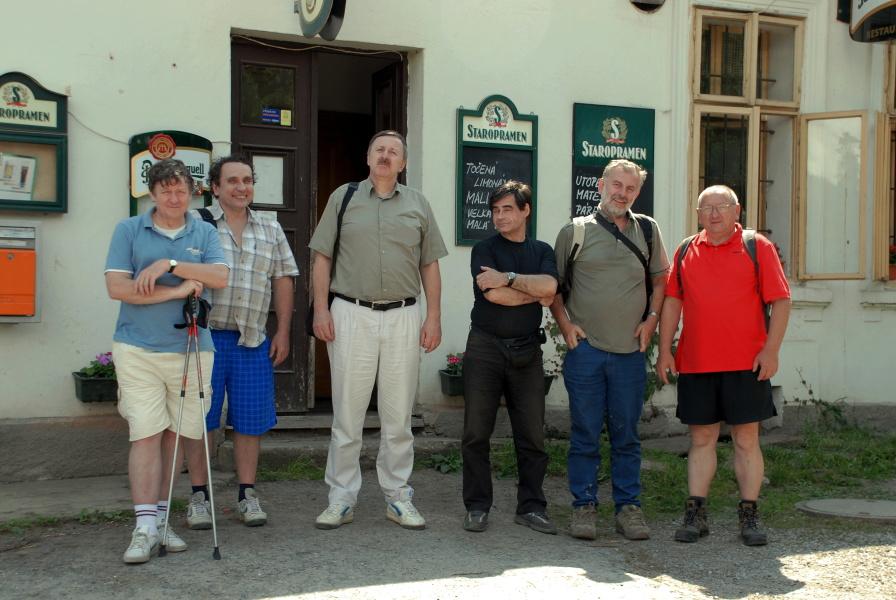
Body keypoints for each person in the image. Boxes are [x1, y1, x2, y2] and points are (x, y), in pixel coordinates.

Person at [309, 130, 447, 530]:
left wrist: (433, 316)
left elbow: (429, 265)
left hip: (404, 315)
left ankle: (398, 496)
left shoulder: (418, 204)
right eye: (379, 150)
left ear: (403, 163)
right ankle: (341, 498)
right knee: (347, 415)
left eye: (394, 152)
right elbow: (322, 257)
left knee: (398, 416)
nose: (386, 156)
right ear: (368, 157)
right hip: (351, 313)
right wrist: (321, 309)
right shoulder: (343, 197)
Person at [104, 159, 228, 564]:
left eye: (181, 191)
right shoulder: (129, 229)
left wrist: (168, 266)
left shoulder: (204, 231)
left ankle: (160, 520)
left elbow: (219, 276)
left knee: (175, 438)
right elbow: (118, 287)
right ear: (152, 194)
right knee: (145, 434)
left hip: (191, 348)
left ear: (191, 193)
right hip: (138, 348)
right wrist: (177, 290)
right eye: (165, 191)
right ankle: (144, 527)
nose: (174, 198)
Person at [656, 184, 791, 546]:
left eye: (722, 207)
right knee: (701, 439)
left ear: (737, 211)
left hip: (747, 364)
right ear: (698, 214)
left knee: (747, 439)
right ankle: (695, 514)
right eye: (707, 208)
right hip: (697, 362)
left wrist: (771, 351)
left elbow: (781, 301)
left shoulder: (756, 246)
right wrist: (665, 350)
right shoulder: (686, 249)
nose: (714, 214)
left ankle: (749, 515)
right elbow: (672, 301)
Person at [549, 159, 669, 541]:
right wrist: (565, 325)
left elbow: (661, 280)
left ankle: (628, 509)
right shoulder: (575, 232)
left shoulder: (647, 230)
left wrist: (652, 320)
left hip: (630, 353)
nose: (622, 193)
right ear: (601, 185)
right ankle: (583, 506)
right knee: (585, 433)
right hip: (586, 352)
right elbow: (553, 288)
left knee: (626, 435)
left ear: (637, 192)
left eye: (630, 188)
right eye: (616, 185)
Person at [183, 155, 299, 529]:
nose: (241, 187)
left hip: (251, 340)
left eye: (247, 180)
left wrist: (282, 331)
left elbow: (283, 279)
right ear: (215, 187)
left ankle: (247, 494)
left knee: (250, 420)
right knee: (200, 421)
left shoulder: (270, 228)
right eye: (232, 180)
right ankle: (199, 496)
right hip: (205, 337)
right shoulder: (197, 224)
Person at [461, 181, 559, 534]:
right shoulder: (484, 248)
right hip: (485, 348)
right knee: (476, 432)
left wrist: (509, 278)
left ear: (525, 211)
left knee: (532, 434)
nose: (499, 216)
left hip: (527, 351)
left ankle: (531, 507)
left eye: (507, 209)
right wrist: (534, 293)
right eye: (495, 210)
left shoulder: (542, 250)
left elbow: (551, 288)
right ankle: (477, 507)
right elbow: (495, 295)